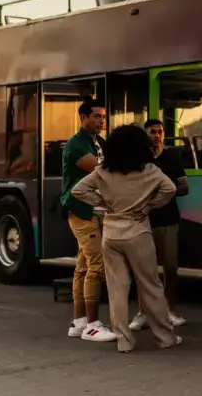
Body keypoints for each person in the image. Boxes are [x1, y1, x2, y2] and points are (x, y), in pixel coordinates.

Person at [72, 125, 182, 353]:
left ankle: (124, 340)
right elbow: (170, 189)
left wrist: (103, 203)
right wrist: (149, 206)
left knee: (117, 288)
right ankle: (165, 337)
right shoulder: (149, 170)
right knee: (150, 285)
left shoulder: (102, 171)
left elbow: (78, 191)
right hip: (138, 231)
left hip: (111, 232)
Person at [61, 98, 116, 343]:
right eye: (96, 116)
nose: (101, 121)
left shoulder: (98, 142)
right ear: (83, 117)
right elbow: (100, 172)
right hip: (82, 212)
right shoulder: (76, 144)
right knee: (97, 264)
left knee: (83, 266)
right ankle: (93, 326)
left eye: (103, 117)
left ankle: (79, 322)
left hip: (95, 211)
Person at [129, 119, 189, 332]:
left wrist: (164, 192)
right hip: (144, 221)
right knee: (144, 270)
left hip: (168, 220)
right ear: (145, 135)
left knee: (170, 268)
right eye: (152, 132)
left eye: (160, 132)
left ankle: (170, 310)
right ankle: (143, 312)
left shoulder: (172, 157)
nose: (156, 136)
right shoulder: (138, 159)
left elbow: (184, 187)